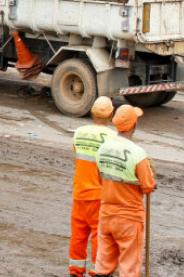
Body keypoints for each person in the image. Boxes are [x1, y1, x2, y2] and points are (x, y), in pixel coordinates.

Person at [92, 105, 156, 277]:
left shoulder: (103, 148)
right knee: (129, 266)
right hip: (129, 218)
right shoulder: (137, 153)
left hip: (106, 214)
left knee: (103, 264)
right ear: (134, 125)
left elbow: (100, 178)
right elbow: (148, 186)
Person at [68, 97, 116, 277]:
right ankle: (97, 271)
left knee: (78, 236)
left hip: (79, 193)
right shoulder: (112, 138)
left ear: (92, 112)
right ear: (111, 115)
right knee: (99, 237)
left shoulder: (79, 132)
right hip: (99, 196)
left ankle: (75, 271)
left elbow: (78, 153)